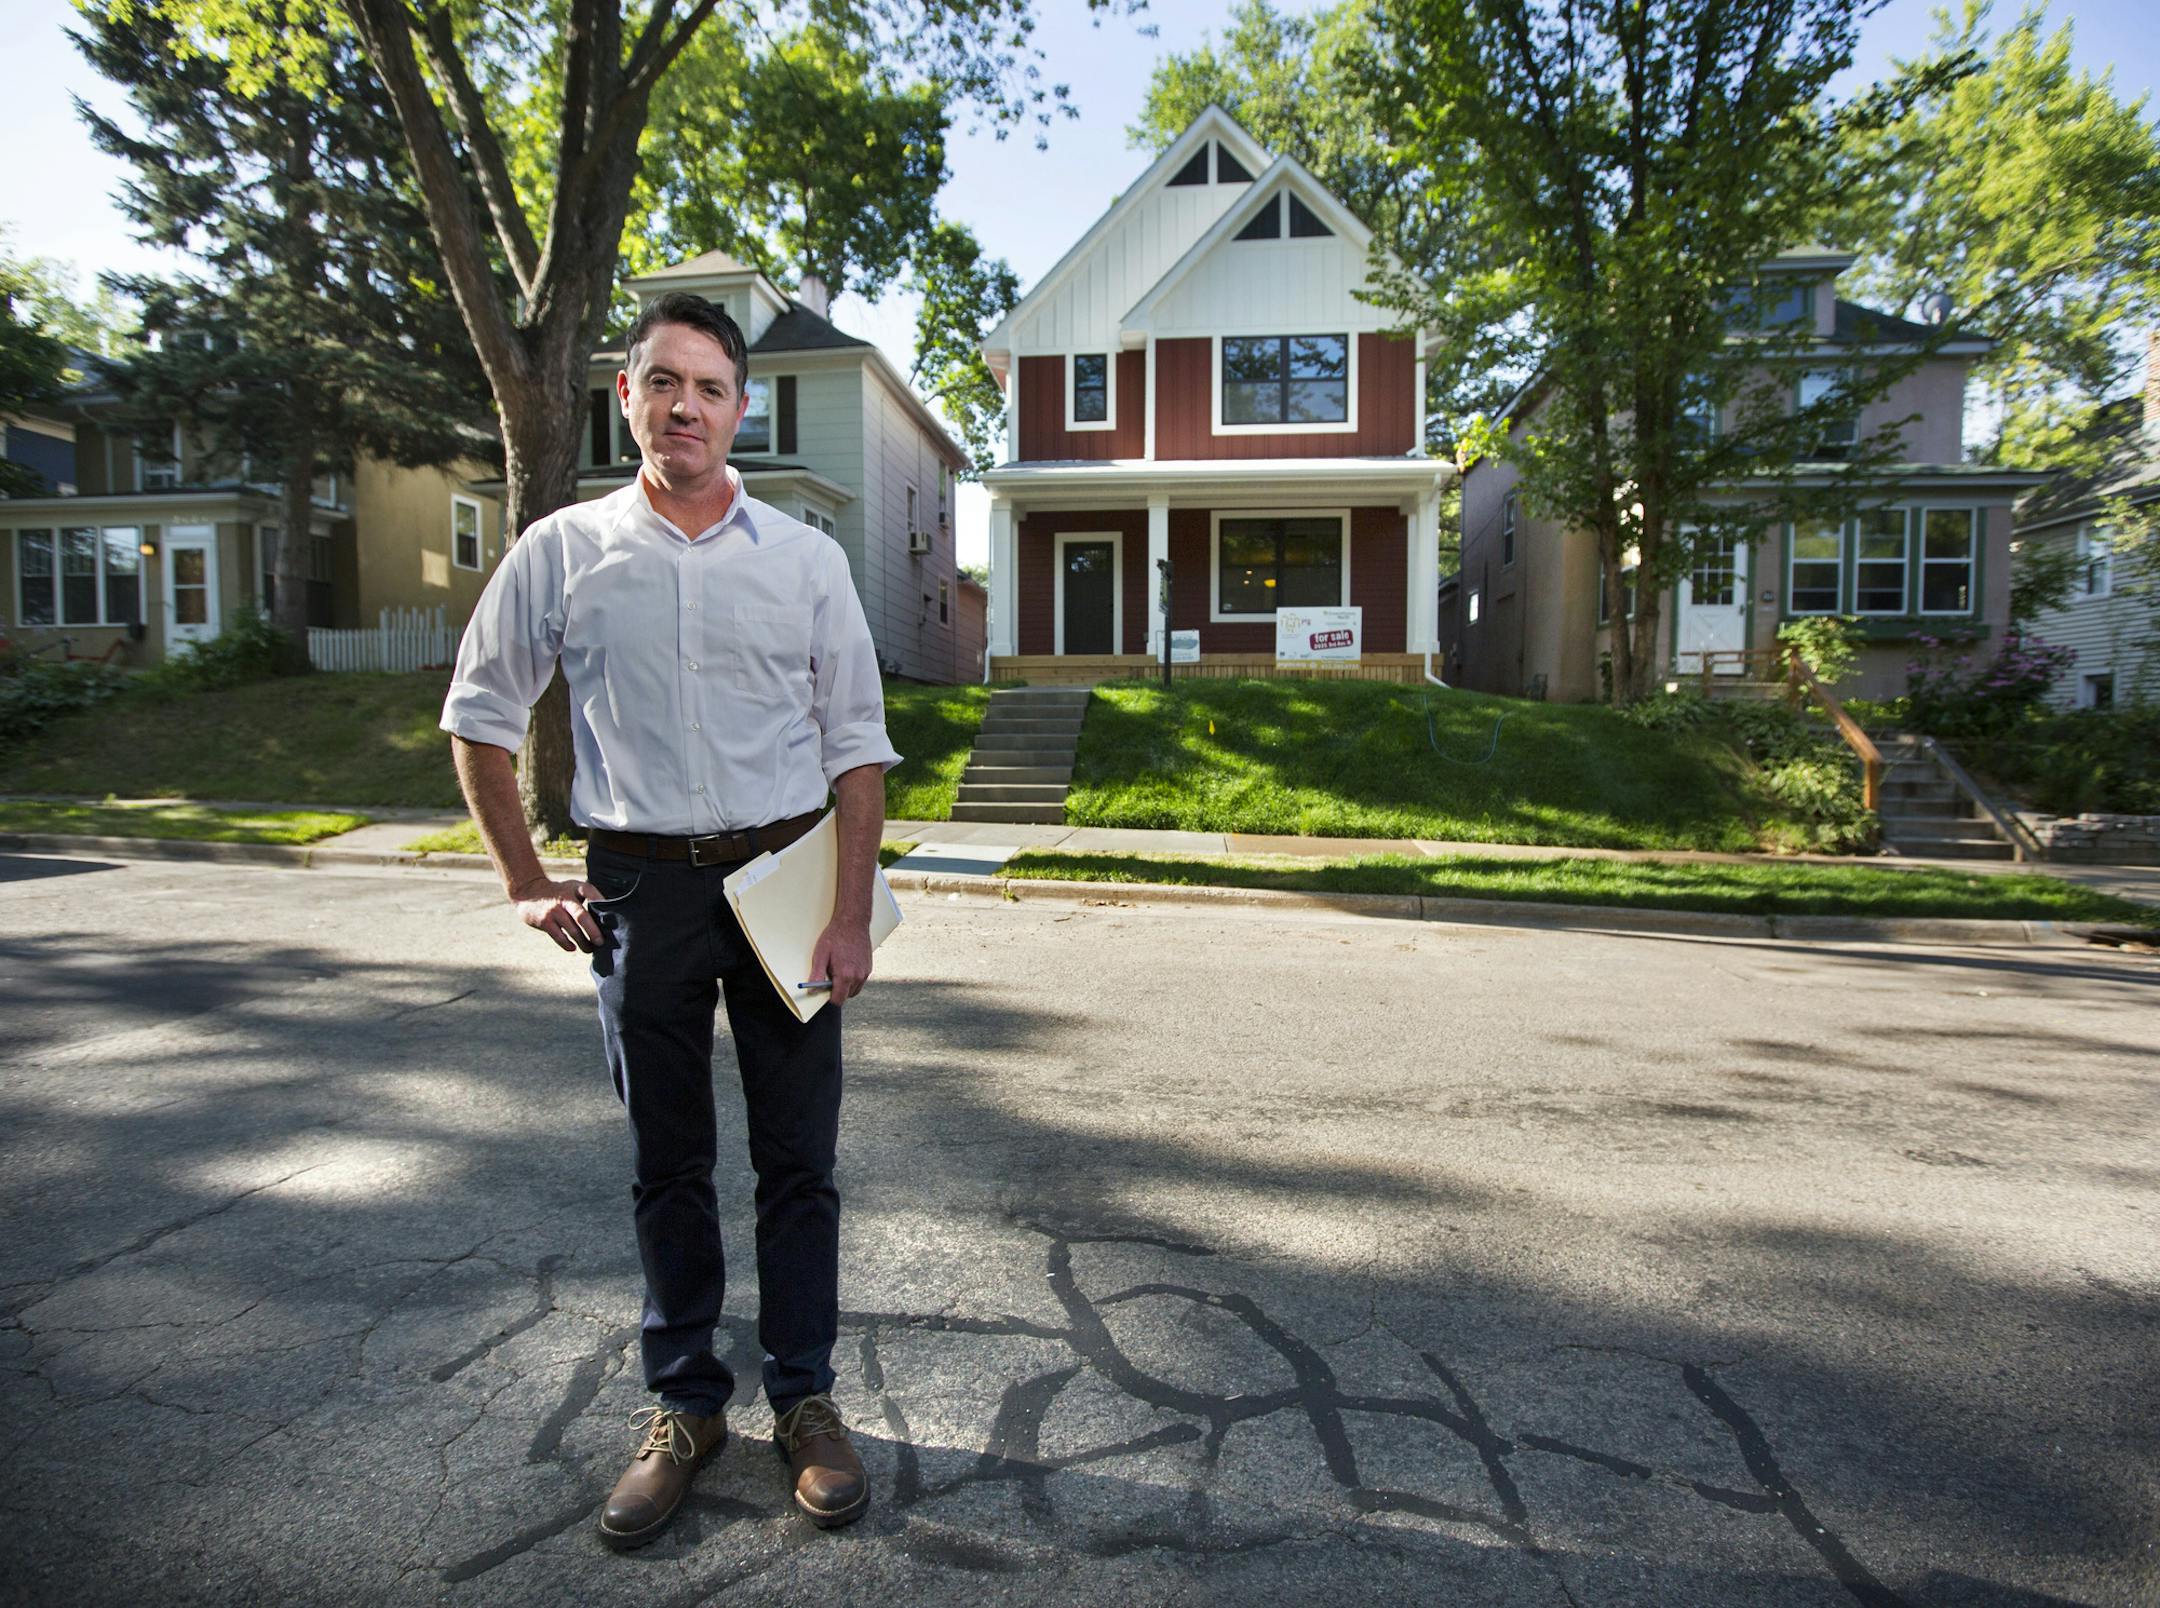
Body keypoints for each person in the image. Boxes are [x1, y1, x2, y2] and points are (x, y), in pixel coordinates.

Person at [439, 290, 898, 1549]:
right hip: (639, 887)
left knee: (800, 1162)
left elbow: (858, 754)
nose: (685, 405)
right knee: (669, 1164)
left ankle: (804, 1400)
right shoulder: (562, 551)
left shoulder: (806, 561)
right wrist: (526, 880)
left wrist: (850, 918)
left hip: (785, 882)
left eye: (709, 386)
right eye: (662, 382)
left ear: (741, 409)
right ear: (626, 398)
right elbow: (480, 714)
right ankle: (687, 1406)